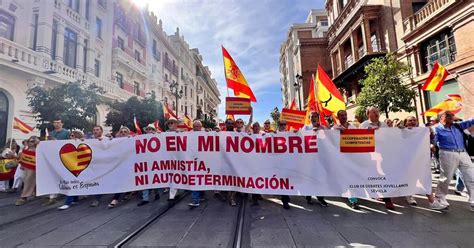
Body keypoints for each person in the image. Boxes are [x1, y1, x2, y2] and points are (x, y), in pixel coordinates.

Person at [433, 111, 474, 211]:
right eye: (449, 115)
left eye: (452, 115)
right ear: (441, 117)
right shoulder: (436, 128)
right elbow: (431, 140)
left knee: (471, 176)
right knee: (446, 178)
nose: (452, 117)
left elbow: (471, 121)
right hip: (447, 153)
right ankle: (440, 198)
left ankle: (473, 200)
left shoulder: (458, 126)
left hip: (463, 153)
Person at [359, 107, 396, 210]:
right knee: (374, 175)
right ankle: (376, 193)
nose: (376, 113)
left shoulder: (384, 125)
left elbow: (390, 137)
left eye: (377, 111)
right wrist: (368, 132)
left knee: (384, 175)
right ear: (368, 114)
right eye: (373, 111)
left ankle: (387, 199)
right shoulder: (363, 125)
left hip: (384, 154)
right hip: (371, 154)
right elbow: (360, 140)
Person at [332, 110, 360, 210]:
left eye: (345, 115)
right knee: (346, 178)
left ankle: (353, 198)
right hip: (340, 158)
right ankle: (352, 199)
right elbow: (329, 140)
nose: (344, 117)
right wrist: (337, 132)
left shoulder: (352, 127)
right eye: (342, 115)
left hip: (352, 157)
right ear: (338, 117)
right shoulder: (334, 128)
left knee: (351, 177)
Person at [302, 111, 329, 207]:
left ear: (318, 118)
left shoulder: (323, 128)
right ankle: (308, 197)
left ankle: (320, 198)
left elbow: (329, 139)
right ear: (309, 118)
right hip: (309, 158)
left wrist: (322, 130)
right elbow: (300, 138)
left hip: (320, 157)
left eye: (315, 117)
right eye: (311, 117)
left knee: (319, 177)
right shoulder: (306, 127)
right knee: (309, 177)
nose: (313, 118)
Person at [43, 118, 71, 207]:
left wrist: (56, 141)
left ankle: (64, 192)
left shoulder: (66, 132)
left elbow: (69, 143)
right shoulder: (51, 133)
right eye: (54, 122)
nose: (56, 124)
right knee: (53, 175)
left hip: (63, 157)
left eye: (58, 123)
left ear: (62, 123)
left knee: (63, 175)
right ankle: (53, 195)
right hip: (53, 157)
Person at [58, 130, 85, 210]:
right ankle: (75, 199)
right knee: (73, 184)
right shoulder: (67, 143)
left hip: (78, 167)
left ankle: (67, 203)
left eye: (72, 135)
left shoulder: (82, 143)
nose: (70, 137)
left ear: (77, 136)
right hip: (71, 166)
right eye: (70, 135)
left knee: (71, 185)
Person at [137, 124, 160, 206]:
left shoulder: (159, 137)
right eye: (148, 129)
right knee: (145, 180)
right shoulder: (142, 138)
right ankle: (145, 198)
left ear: (154, 130)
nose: (149, 130)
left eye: (151, 129)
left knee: (154, 180)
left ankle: (156, 193)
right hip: (145, 163)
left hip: (155, 163)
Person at [108, 126, 131, 208]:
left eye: (125, 132)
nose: (123, 133)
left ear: (128, 133)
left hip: (130, 165)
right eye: (121, 132)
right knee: (120, 181)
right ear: (119, 133)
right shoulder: (115, 141)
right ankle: (119, 197)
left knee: (126, 180)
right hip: (119, 165)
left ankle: (117, 198)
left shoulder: (132, 139)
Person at [15, 136, 40, 206]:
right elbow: (23, 157)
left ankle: (24, 197)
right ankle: (36, 192)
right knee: (27, 179)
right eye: (29, 141)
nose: (30, 143)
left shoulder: (38, 149)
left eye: (32, 141)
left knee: (28, 180)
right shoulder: (26, 148)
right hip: (26, 167)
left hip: (34, 167)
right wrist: (22, 165)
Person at [189, 120, 206, 207]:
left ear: (201, 126)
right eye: (194, 126)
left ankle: (201, 195)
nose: (196, 128)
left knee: (201, 179)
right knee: (196, 180)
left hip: (203, 161)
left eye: (197, 126)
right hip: (193, 161)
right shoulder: (189, 134)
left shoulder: (206, 133)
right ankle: (196, 200)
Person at [277, 120, 291, 209]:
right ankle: (285, 200)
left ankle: (286, 198)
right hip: (278, 162)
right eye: (281, 124)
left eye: (284, 124)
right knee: (282, 180)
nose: (282, 126)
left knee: (287, 180)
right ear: (278, 125)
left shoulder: (290, 134)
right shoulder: (274, 134)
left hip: (288, 161)